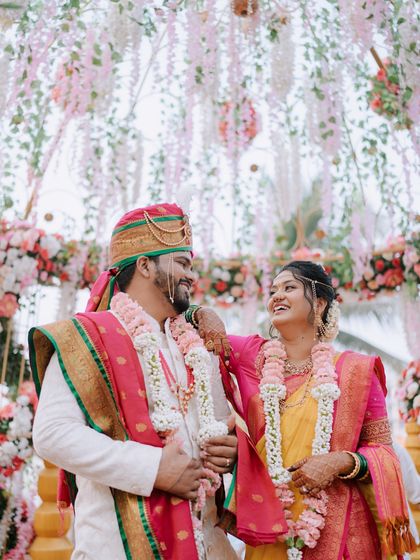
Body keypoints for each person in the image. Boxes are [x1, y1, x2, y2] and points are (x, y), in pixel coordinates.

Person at [29, 203, 238, 560]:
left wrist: (230, 453)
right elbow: (51, 435)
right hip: (119, 544)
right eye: (182, 264)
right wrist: (152, 468)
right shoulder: (87, 339)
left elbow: (220, 432)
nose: (192, 276)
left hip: (205, 543)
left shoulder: (195, 346)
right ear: (145, 264)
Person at [190, 260, 416, 560]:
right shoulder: (251, 356)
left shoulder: (355, 371)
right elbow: (182, 324)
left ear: (319, 302)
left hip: (341, 531)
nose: (277, 296)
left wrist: (339, 461)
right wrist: (202, 312)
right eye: (273, 290)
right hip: (271, 524)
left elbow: (385, 455)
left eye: (289, 287)